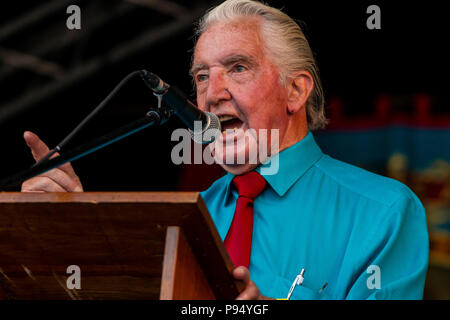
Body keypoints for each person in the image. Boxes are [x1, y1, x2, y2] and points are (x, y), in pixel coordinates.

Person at [21, 0, 428, 300]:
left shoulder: (383, 211)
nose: (212, 94)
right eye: (201, 76)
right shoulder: (185, 218)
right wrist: (75, 234)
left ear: (295, 90)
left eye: (237, 67)